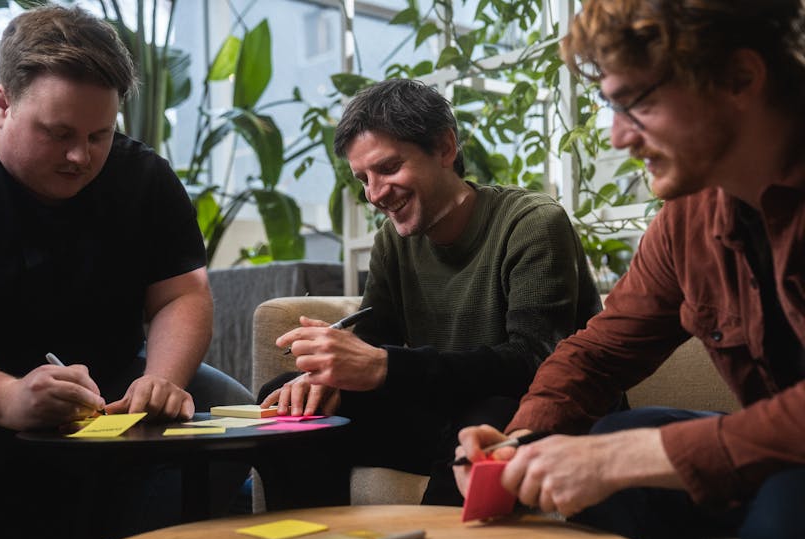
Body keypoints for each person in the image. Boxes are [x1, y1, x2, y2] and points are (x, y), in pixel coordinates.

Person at [455, 1, 805, 539]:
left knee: (787, 507)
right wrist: (521, 442)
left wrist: (627, 456)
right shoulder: (686, 221)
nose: (618, 137)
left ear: (740, 77)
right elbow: (600, 352)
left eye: (634, 104)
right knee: (618, 439)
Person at [257, 78, 602, 508]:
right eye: (363, 178)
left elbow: (533, 362)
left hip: (532, 413)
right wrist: (330, 373)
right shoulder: (394, 239)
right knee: (288, 398)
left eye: (388, 169)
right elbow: (374, 336)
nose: (375, 194)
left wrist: (384, 366)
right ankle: (309, 537)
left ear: (444, 148)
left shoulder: (532, 223)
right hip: (448, 411)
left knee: (488, 413)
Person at [0, 5, 253, 539]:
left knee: (237, 416)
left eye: (99, 135)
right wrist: (8, 399)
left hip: (113, 385)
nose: (79, 156)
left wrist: (162, 379)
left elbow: (182, 294)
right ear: (2, 104)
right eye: (58, 132)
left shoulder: (142, 177)